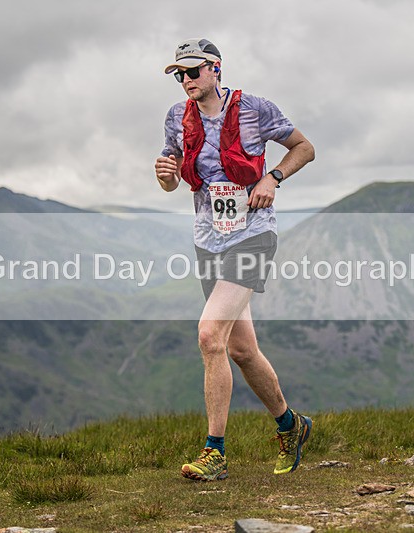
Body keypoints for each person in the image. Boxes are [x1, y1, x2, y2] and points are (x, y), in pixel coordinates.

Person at [154, 38, 315, 481]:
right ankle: (291, 425)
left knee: (209, 336)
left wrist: (273, 178)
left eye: (192, 71)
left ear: (215, 69)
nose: (185, 80)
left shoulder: (255, 109)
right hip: (209, 240)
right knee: (242, 350)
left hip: (254, 235)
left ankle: (215, 452)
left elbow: (304, 147)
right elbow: (171, 180)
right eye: (179, 74)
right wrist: (166, 177)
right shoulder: (176, 118)